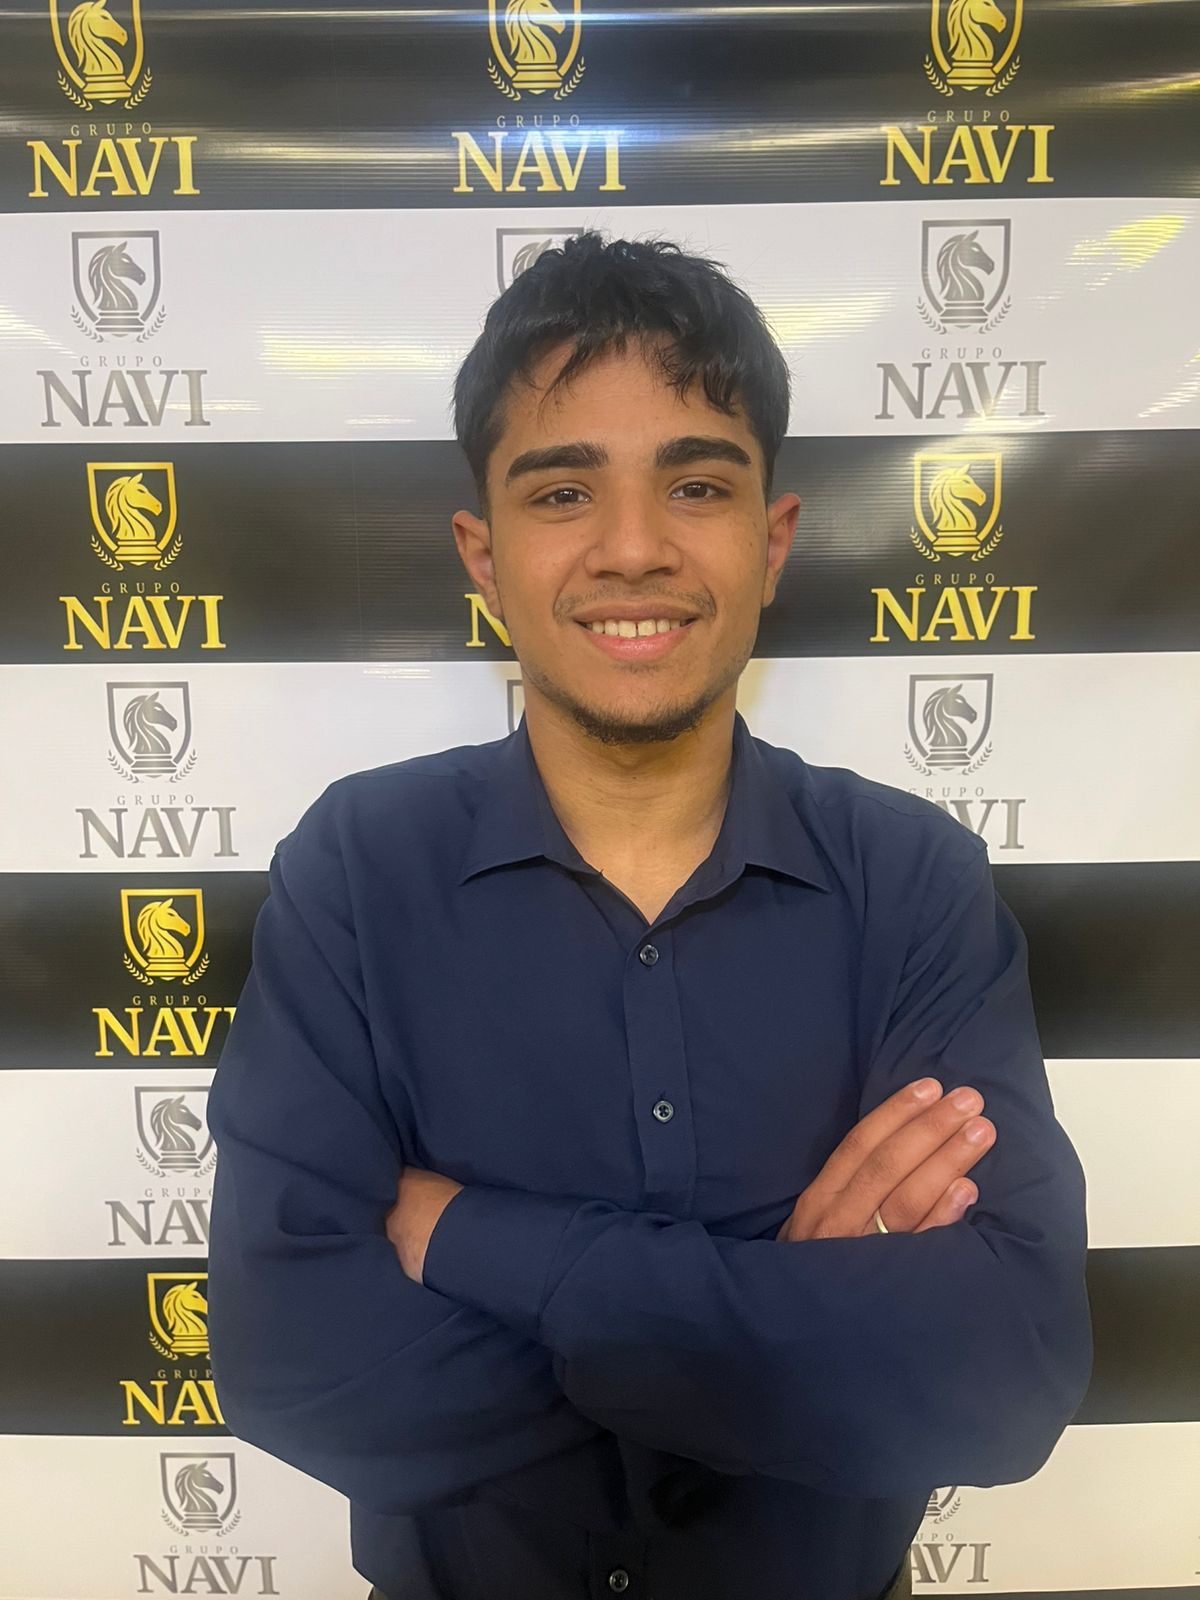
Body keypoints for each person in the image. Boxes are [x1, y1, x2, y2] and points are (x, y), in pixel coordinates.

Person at [204, 231, 1093, 1600]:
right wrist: (782, 1315)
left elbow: (1006, 1371)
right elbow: (296, 1360)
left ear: (771, 541)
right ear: (484, 554)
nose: (633, 548)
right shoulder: (358, 870)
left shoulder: (913, 878)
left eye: (696, 484)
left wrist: (480, 1243)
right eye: (564, 492)